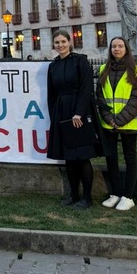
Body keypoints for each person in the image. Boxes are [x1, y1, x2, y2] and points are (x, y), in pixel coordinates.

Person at [46, 30, 98, 208]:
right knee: (68, 157)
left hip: (78, 112)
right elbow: (51, 94)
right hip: (61, 111)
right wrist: (54, 115)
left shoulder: (80, 61)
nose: (60, 45)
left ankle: (87, 197)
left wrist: (79, 112)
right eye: (57, 42)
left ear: (69, 42)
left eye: (63, 41)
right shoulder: (53, 66)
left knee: (82, 156)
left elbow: (86, 88)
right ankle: (74, 195)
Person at [94, 37, 137, 211]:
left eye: (120, 46)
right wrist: (109, 118)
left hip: (128, 123)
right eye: (113, 46)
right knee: (111, 158)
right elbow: (100, 97)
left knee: (130, 158)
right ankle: (115, 193)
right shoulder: (103, 69)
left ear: (126, 49)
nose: (116, 49)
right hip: (109, 123)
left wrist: (120, 119)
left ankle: (128, 196)